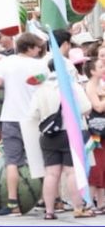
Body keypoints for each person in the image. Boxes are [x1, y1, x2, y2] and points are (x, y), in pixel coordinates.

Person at [0, 33, 48, 216]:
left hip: (11, 117)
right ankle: (49, 199)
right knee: (39, 160)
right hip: (34, 118)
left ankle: (13, 204)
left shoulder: (6, 63)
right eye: (37, 47)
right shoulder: (41, 65)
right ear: (29, 48)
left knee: (12, 161)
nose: (39, 50)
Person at [30, 60, 94, 219]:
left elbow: (33, 114)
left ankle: (49, 211)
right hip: (70, 132)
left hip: (48, 135)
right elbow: (86, 108)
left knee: (51, 174)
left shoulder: (41, 87)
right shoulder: (72, 86)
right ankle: (78, 208)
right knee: (72, 172)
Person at [84, 59, 105, 213]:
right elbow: (97, 106)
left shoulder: (100, 85)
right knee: (97, 164)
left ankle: (101, 202)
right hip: (96, 130)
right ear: (92, 71)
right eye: (100, 66)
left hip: (101, 129)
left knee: (102, 164)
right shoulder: (90, 86)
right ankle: (89, 202)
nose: (103, 68)